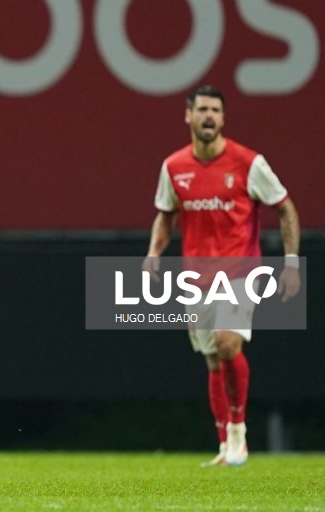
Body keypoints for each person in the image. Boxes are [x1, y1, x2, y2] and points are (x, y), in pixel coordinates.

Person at [144, 85, 300, 467]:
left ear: (223, 118)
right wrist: (153, 254)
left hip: (239, 271)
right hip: (195, 276)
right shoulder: (174, 167)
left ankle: (238, 433)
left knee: (228, 342)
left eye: (216, 110)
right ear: (188, 116)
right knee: (214, 359)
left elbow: (286, 208)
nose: (209, 116)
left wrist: (291, 262)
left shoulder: (248, 163)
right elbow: (165, 214)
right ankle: (224, 443)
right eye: (203, 110)